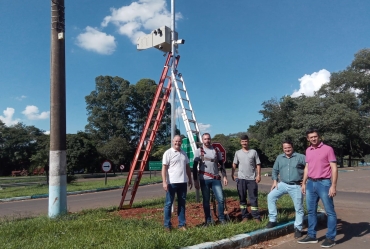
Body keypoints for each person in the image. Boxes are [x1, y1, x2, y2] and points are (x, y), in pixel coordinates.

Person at [298, 128, 338, 248]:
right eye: (311, 137)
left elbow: (334, 168)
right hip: (310, 183)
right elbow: (307, 167)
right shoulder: (308, 150)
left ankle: (330, 238)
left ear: (319, 136)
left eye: (315, 136)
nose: (313, 139)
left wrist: (333, 185)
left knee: (330, 211)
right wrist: (304, 183)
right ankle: (311, 236)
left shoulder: (328, 149)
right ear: (308, 139)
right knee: (311, 211)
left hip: (324, 183)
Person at [266, 140, 306, 238]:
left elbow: (309, 168)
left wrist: (305, 181)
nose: (287, 149)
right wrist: (275, 181)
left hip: (296, 185)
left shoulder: (301, 157)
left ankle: (298, 228)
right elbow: (275, 170)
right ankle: (272, 220)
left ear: (292, 147)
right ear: (283, 148)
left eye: (289, 147)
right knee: (271, 196)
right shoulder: (280, 158)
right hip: (283, 184)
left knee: (299, 207)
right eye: (285, 148)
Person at [193, 133, 228, 225]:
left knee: (220, 199)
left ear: (210, 139)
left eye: (208, 139)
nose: (207, 141)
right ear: (202, 140)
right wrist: (195, 180)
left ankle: (221, 219)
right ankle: (208, 221)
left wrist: (224, 176)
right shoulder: (198, 151)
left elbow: (221, 164)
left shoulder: (216, 150)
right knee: (206, 200)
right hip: (204, 179)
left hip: (215, 179)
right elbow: (194, 166)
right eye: (205, 139)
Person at [162, 135, 193, 231]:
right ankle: (167, 225)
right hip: (171, 183)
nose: (177, 143)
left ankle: (182, 224)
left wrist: (190, 179)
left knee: (182, 204)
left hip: (183, 182)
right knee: (168, 204)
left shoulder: (184, 153)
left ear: (181, 142)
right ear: (172, 141)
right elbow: (164, 168)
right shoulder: (168, 153)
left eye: (179, 141)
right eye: (176, 141)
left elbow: (187, 167)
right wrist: (164, 181)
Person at [232, 134, 262, 222]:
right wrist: (233, 174)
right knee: (242, 198)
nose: (244, 143)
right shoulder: (237, 152)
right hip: (241, 179)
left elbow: (258, 164)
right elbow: (234, 164)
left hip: (252, 179)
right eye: (243, 141)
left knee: (253, 198)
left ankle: (256, 216)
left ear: (248, 142)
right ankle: (245, 216)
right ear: (240, 142)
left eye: (246, 141)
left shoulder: (253, 152)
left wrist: (259, 175)